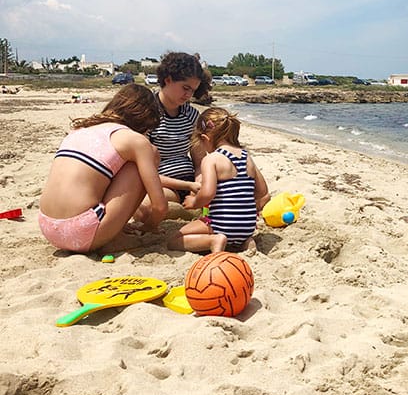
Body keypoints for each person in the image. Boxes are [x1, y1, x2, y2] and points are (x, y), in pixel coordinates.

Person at [38, 84, 167, 253]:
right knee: (150, 155)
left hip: (48, 227)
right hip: (81, 231)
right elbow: (160, 206)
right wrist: (149, 226)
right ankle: (113, 237)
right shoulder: (134, 140)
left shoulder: (79, 130)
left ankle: (111, 228)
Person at [168, 107, 270, 254]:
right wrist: (243, 209)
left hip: (221, 224)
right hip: (247, 226)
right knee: (235, 234)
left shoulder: (211, 159)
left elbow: (208, 193)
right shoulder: (247, 158)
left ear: (205, 138)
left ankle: (214, 240)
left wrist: (194, 202)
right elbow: (263, 192)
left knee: (176, 238)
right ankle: (245, 242)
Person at [134, 51, 212, 226]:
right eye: (185, 88)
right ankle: (186, 211)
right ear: (168, 79)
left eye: (192, 90)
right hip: (162, 185)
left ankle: (189, 208)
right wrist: (187, 187)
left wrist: (198, 184)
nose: (188, 95)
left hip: (191, 184)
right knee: (143, 210)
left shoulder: (191, 115)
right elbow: (143, 171)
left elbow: (199, 161)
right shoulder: (147, 114)